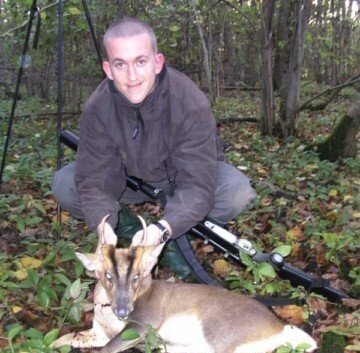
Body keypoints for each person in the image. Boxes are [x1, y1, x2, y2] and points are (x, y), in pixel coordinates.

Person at [52, 18, 256, 254]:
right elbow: (96, 180)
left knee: (235, 191)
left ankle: (176, 241)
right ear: (108, 70)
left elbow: (197, 185)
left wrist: (163, 229)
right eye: (120, 65)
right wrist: (103, 225)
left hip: (180, 178)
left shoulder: (189, 101)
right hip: (129, 181)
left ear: (157, 63)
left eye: (140, 61)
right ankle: (124, 229)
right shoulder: (98, 109)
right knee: (65, 184)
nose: (132, 76)